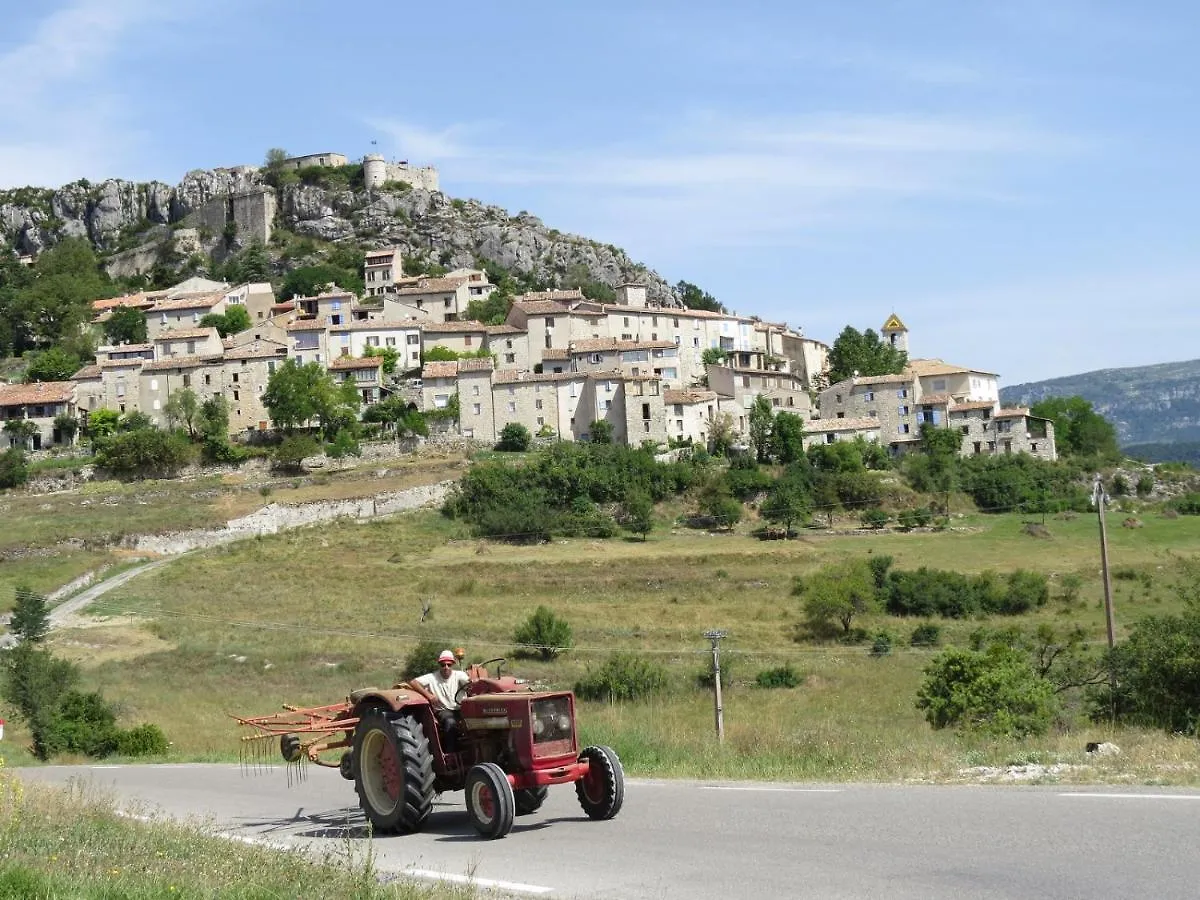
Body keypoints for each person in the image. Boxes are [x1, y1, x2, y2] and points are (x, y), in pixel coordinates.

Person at [413, 650, 470, 749]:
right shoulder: (432, 677)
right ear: (439, 665)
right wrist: (429, 695)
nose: (446, 667)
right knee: (450, 722)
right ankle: (450, 751)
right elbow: (414, 682)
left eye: (449, 665)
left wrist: (469, 684)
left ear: (452, 664)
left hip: (460, 708)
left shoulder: (460, 675)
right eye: (443, 665)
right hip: (443, 710)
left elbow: (468, 683)